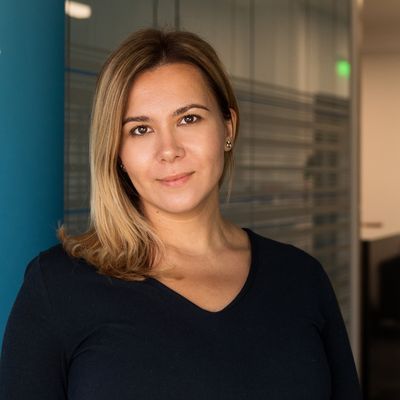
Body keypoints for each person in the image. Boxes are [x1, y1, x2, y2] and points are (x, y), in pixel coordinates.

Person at [0, 28, 362, 399]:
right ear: (117, 153)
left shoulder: (301, 279)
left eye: (188, 119)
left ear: (228, 127)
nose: (169, 150)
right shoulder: (58, 288)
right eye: (141, 129)